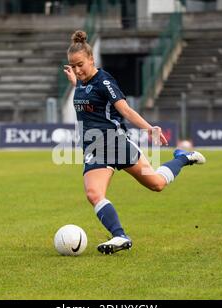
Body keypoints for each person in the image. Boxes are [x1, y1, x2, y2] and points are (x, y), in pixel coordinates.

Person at [63, 30, 206, 255]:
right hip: (94, 149)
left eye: (80, 64)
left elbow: (125, 110)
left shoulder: (105, 81)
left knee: (157, 184)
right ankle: (120, 236)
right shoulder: (81, 82)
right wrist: (75, 82)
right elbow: (85, 91)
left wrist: (149, 129)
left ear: (91, 59)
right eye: (73, 66)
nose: (77, 70)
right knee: (93, 194)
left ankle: (183, 158)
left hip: (116, 144)